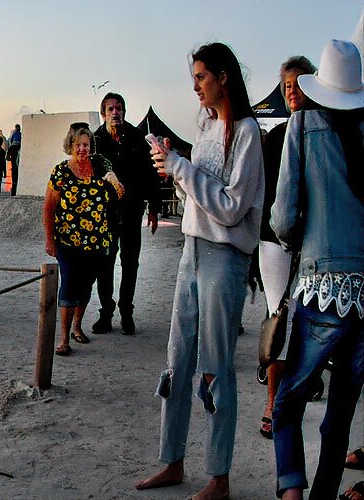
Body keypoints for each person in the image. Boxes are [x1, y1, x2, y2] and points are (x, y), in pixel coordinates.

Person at [135, 42, 263, 500]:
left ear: (224, 77)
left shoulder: (246, 132)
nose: (195, 86)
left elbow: (230, 207)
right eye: (194, 77)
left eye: (201, 77)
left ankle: (218, 475)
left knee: (215, 366)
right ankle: (172, 460)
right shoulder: (204, 124)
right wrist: (174, 167)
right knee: (177, 359)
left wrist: (181, 168)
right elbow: (200, 197)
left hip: (225, 258)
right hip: (191, 250)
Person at [270, 40, 364, 500]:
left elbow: (284, 217)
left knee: (288, 402)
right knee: (341, 410)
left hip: (322, 283)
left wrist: (298, 240)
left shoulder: (302, 124)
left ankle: (291, 491)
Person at [258, 55, 316, 442]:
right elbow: (263, 194)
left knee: (310, 321)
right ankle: (273, 403)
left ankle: (302, 387)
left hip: (315, 240)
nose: (291, 91)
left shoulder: (328, 131)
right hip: (274, 240)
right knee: (278, 317)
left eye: (298, 83)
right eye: (287, 85)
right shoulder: (276, 137)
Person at [42, 123, 122, 356]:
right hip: (67, 240)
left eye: (86, 145)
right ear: (71, 146)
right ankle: (64, 338)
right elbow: (48, 207)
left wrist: (114, 181)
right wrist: (50, 239)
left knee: (86, 287)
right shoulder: (61, 171)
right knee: (69, 285)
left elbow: (119, 193)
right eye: (78, 145)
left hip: (96, 241)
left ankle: (77, 326)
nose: (82, 149)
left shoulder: (101, 166)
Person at [92, 92, 162, 336]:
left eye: (119, 108)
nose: (115, 113)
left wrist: (154, 208)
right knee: (105, 264)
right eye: (110, 109)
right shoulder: (95, 141)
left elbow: (150, 174)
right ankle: (106, 312)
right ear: (103, 113)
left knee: (130, 263)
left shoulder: (136, 138)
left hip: (132, 211)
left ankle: (126, 313)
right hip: (106, 214)